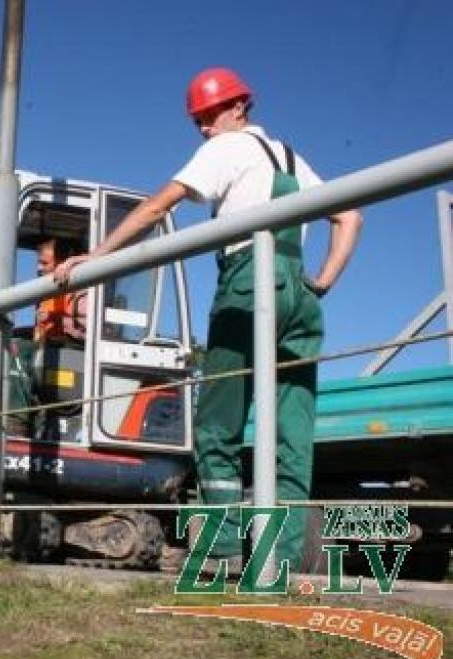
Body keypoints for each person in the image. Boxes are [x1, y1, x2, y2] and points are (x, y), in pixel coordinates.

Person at [53, 67, 362, 570]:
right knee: (292, 433)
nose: (203, 127)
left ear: (240, 107)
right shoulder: (290, 158)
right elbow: (350, 216)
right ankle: (281, 560)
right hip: (299, 294)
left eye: (209, 114)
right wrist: (322, 281)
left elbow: (158, 207)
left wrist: (99, 255)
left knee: (218, 426)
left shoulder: (228, 148)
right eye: (197, 119)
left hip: (248, 284)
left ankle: (220, 552)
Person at [35, 238, 86, 344]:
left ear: (61, 263)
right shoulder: (46, 292)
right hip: (45, 350)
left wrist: (56, 319)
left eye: (44, 263)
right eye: (38, 262)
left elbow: (90, 330)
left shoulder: (81, 291)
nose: (39, 268)